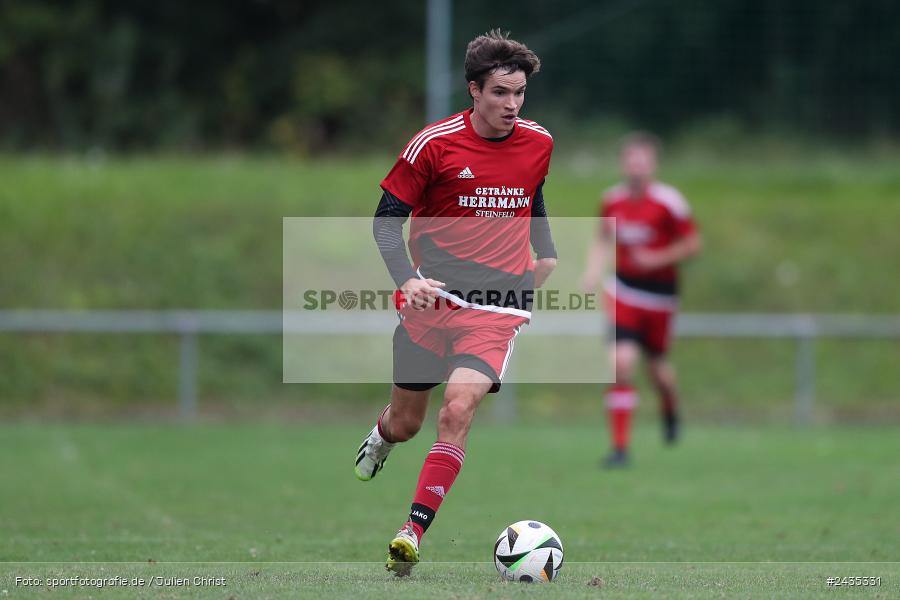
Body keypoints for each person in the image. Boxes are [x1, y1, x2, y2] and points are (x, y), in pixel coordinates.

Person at [353, 29, 557, 576]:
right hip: (432, 297)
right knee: (407, 423)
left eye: (519, 93)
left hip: (499, 303)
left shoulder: (539, 141)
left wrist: (547, 251)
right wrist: (405, 281)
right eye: (499, 93)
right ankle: (381, 437)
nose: (511, 104)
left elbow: (532, 193)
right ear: (474, 89)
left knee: (459, 407)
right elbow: (386, 220)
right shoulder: (434, 145)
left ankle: (410, 532)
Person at [580, 132, 701, 467]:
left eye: (643, 162)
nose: (636, 168)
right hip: (623, 291)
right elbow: (602, 240)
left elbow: (692, 245)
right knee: (621, 364)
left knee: (659, 371)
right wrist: (593, 271)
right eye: (631, 161)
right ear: (624, 163)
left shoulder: (669, 202)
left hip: (660, 297)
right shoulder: (612, 200)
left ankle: (670, 406)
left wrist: (658, 258)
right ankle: (620, 448)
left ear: (653, 165)